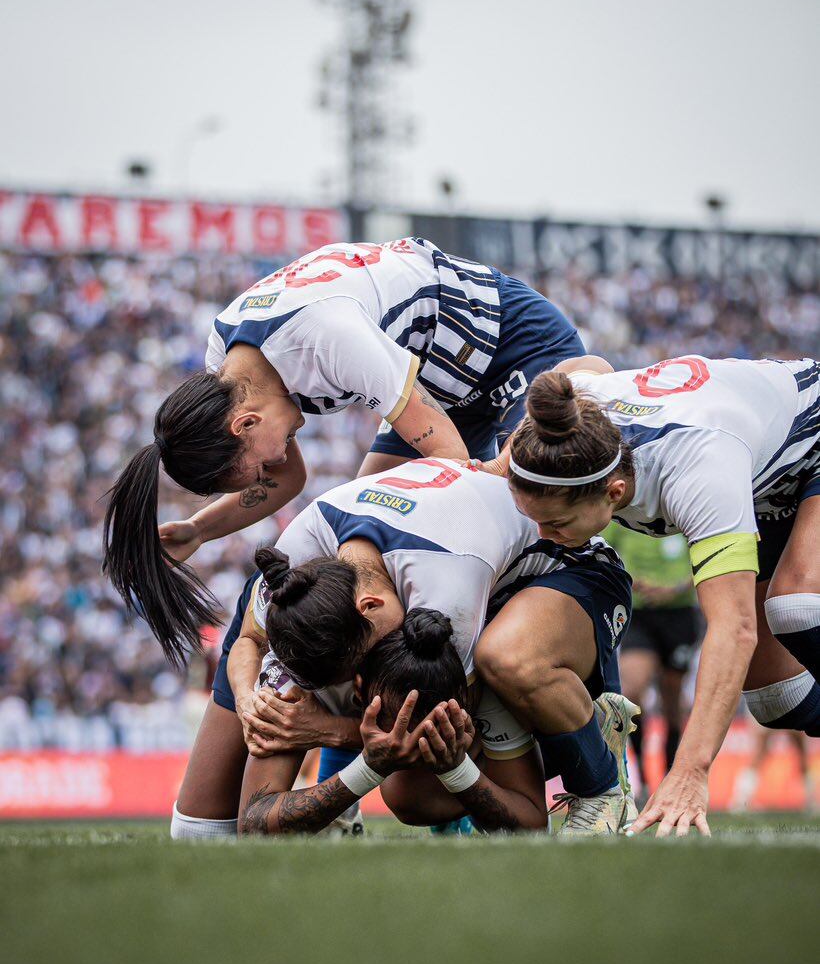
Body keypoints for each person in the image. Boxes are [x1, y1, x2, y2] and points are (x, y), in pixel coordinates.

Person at [103, 238, 583, 665]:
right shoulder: (228, 375)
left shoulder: (327, 336)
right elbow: (288, 481)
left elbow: (450, 467)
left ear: (245, 423)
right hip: (440, 381)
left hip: (514, 344)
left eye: (258, 464)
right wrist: (198, 530)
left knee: (515, 502)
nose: (272, 464)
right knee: (362, 518)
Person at [171, 457, 637, 839]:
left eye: (350, 679)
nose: (355, 691)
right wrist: (252, 700)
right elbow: (250, 638)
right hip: (476, 572)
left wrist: (331, 730)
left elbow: (448, 728)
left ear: (370, 605)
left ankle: (594, 761)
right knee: (410, 795)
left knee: (500, 663)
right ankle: (456, 805)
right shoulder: (298, 566)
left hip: (571, 568)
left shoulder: (446, 596)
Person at [494, 354, 820, 837]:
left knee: (793, 605)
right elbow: (584, 366)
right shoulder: (581, 419)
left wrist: (690, 771)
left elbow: (734, 628)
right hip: (767, 476)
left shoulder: (696, 473)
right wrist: (503, 462)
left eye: (557, 522)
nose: (543, 533)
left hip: (804, 440)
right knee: (776, 699)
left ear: (614, 491)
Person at [237, 608, 548, 836]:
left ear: (464, 699)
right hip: (268, 623)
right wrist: (369, 767)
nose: (412, 744)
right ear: (358, 690)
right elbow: (253, 824)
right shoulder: (299, 682)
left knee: (408, 795)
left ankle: (584, 740)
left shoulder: (484, 681)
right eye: (398, 723)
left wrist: (456, 769)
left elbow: (534, 824)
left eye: (436, 724)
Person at [603, 526, 700, 801]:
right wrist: (627, 579)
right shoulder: (624, 514)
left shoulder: (682, 512)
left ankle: (671, 777)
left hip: (679, 614)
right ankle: (643, 779)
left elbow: (711, 554)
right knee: (631, 692)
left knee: (672, 700)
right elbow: (598, 548)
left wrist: (677, 587)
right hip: (640, 613)